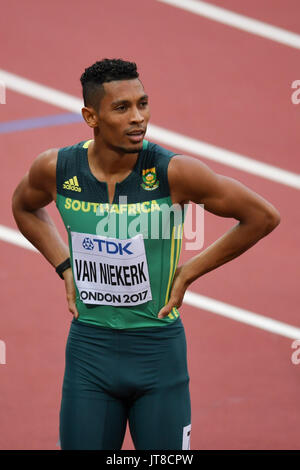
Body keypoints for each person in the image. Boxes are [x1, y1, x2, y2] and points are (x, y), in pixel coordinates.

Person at [12, 58, 280, 450]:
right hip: (89, 352)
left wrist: (189, 271)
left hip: (158, 355)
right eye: (122, 108)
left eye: (143, 103)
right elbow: (24, 207)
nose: (138, 118)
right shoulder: (56, 168)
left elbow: (262, 216)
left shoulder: (174, 172)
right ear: (92, 116)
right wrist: (65, 266)